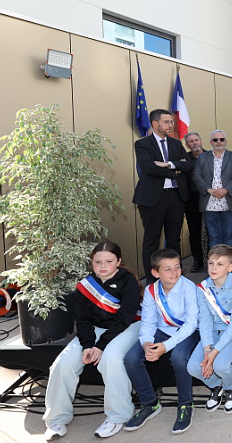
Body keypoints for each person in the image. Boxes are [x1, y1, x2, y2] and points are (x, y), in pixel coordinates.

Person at [43, 242, 141, 440]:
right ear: (92, 262)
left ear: (118, 262)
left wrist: (100, 346)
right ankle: (56, 419)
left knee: (110, 359)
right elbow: (82, 320)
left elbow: (124, 318)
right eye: (97, 262)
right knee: (63, 363)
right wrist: (88, 345)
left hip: (128, 327)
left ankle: (118, 416)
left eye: (109, 261)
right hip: (95, 330)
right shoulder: (85, 285)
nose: (103, 266)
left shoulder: (128, 281)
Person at [123, 249, 200, 434]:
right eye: (168, 269)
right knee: (131, 359)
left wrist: (166, 346)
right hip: (163, 331)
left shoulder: (189, 287)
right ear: (155, 273)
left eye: (177, 267)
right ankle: (149, 403)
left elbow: (191, 324)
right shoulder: (151, 291)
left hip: (188, 332)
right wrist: (146, 343)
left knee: (179, 358)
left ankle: (185, 404)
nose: (174, 272)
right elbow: (148, 322)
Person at [133, 109, 192, 281]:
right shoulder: (142, 144)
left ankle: (174, 278)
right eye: (167, 122)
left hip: (176, 197)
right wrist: (176, 169)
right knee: (152, 241)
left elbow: (188, 165)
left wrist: (167, 164)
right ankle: (152, 281)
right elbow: (148, 168)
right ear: (155, 123)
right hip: (152, 199)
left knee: (174, 240)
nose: (171, 125)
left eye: (171, 122)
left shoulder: (176, 144)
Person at [187, 245, 232, 416]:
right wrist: (207, 348)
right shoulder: (203, 288)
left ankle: (231, 388)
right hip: (213, 330)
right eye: (211, 263)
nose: (213, 268)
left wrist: (215, 352)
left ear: (230, 267)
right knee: (193, 367)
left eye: (220, 264)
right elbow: (205, 319)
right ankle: (216, 386)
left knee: (220, 365)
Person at [193, 130, 232, 248]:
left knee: (228, 236)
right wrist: (208, 190)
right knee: (213, 237)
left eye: (221, 139)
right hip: (209, 203)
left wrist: (226, 190)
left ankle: (228, 260)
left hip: (228, 201)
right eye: (215, 140)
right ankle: (215, 260)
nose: (219, 142)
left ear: (226, 141)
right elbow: (196, 176)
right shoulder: (202, 157)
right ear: (211, 142)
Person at [184, 132, 207, 271]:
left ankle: (213, 259)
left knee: (212, 230)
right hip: (192, 199)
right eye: (191, 141)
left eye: (196, 140)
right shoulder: (184, 159)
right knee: (194, 231)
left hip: (210, 197)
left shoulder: (211, 156)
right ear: (187, 145)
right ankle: (197, 260)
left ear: (201, 141)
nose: (195, 143)